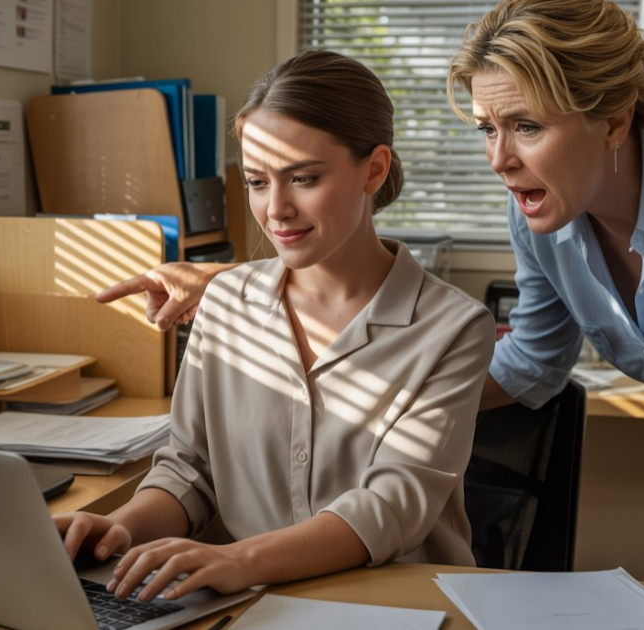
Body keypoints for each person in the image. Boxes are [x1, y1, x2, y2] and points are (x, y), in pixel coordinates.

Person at [96, 2, 644, 629]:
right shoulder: (539, 211)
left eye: (527, 126)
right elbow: (534, 365)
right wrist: (267, 313)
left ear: (613, 117)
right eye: (486, 127)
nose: (497, 157)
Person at [57, 49, 495, 604]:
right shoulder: (224, 304)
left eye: (304, 179)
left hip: (393, 605)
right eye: (258, 182)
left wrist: (238, 560)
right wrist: (122, 526)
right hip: (248, 603)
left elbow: (392, 505)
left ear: (374, 169)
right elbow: (189, 473)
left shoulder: (452, 328)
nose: (276, 209)